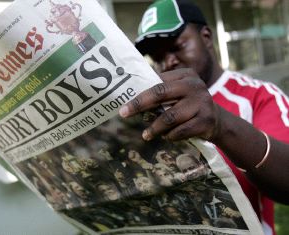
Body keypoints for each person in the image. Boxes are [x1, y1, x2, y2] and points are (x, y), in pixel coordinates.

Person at [119, 0, 289, 234]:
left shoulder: (258, 96)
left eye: (176, 46)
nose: (168, 62)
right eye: (157, 57)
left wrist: (220, 125)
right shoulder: (154, 110)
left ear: (206, 37)